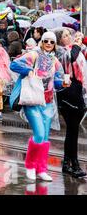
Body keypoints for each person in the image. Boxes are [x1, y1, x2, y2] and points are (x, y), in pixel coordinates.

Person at [10, 31, 65, 182]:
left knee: (45, 137)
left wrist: (63, 83)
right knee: (39, 134)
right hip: (32, 100)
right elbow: (14, 64)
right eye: (46, 41)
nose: (48, 44)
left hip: (47, 103)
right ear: (41, 42)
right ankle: (30, 166)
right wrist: (28, 70)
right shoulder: (34, 54)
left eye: (51, 42)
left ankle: (41, 169)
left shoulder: (55, 61)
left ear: (54, 45)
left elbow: (58, 81)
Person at [55, 29, 87, 178]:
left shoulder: (70, 50)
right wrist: (77, 45)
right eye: (65, 36)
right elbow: (72, 57)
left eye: (69, 34)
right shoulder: (61, 52)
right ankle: (73, 165)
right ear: (60, 40)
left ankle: (68, 163)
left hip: (75, 90)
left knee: (72, 131)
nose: (69, 37)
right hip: (69, 91)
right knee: (73, 130)